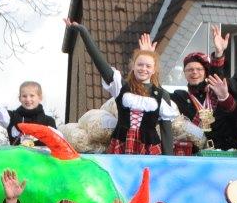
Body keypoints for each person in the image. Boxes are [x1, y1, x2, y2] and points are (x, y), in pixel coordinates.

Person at [64, 19, 177, 155]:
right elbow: (99, 61)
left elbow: (166, 132)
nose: (143, 69)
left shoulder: (161, 94)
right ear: (133, 66)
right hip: (121, 144)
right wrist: (83, 32)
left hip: (148, 149)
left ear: (154, 70)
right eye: (140, 64)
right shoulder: (121, 87)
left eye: (148, 66)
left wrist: (169, 160)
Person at [170, 52, 236, 149]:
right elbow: (156, 94)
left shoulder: (217, 93)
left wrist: (219, 54)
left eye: (199, 69)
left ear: (205, 72)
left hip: (225, 151)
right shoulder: (179, 97)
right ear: (184, 73)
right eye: (190, 69)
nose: (194, 72)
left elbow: (218, 77)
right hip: (195, 153)